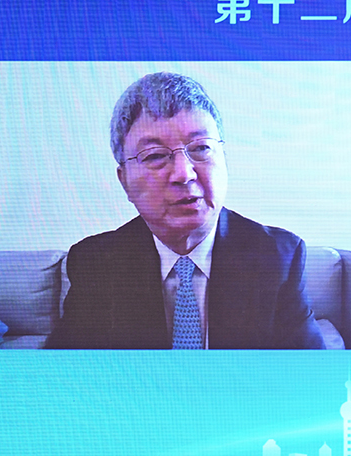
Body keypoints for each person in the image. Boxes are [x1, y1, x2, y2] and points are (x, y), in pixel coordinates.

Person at [47, 72, 327, 349]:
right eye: (155, 155)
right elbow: (60, 370)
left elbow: (310, 371)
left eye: (201, 148)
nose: (184, 174)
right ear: (125, 181)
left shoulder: (276, 256)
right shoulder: (97, 264)